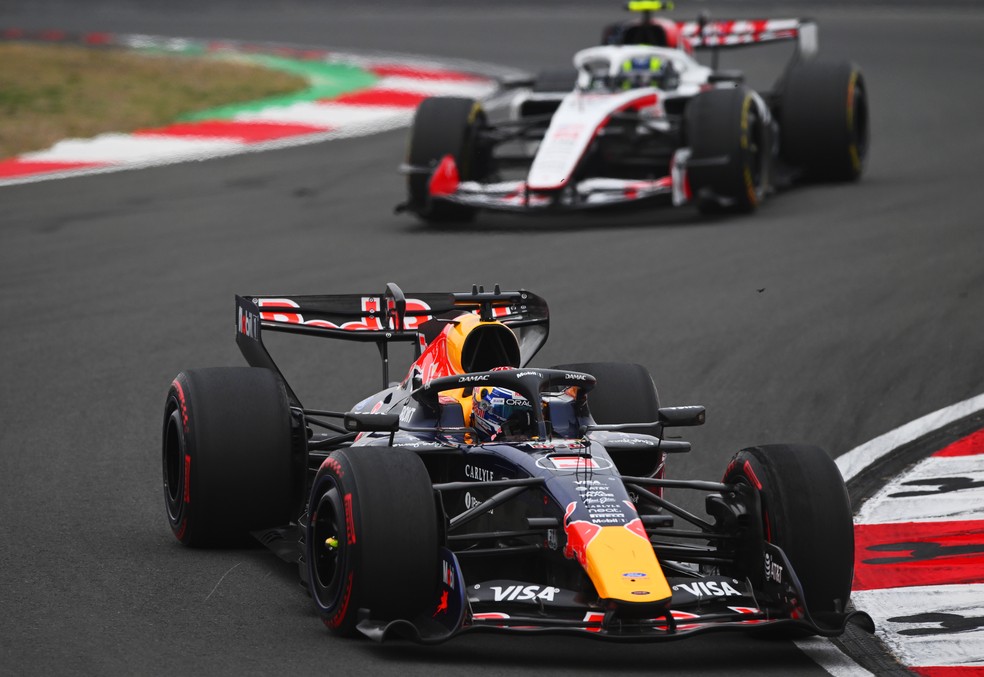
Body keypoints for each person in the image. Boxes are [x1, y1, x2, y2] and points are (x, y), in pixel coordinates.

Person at [471, 386, 536, 441]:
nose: (519, 421)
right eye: (507, 411)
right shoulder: (466, 438)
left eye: (526, 410)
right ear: (483, 407)